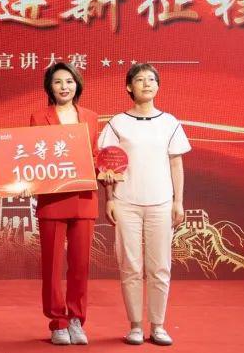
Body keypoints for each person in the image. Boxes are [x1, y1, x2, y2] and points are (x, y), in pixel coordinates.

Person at [98, 63, 191, 346]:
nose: (147, 83)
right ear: (129, 87)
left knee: (159, 267)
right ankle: (136, 326)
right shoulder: (117, 123)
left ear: (158, 86)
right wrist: (110, 198)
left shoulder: (170, 123)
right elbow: (107, 164)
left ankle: (158, 326)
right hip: (126, 203)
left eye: (152, 79)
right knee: (130, 266)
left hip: (161, 203)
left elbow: (176, 164)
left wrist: (178, 201)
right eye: (140, 79)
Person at [22, 62, 99, 345]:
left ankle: (76, 319)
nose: (64, 86)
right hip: (52, 198)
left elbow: (95, 155)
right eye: (58, 82)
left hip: (84, 197)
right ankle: (57, 322)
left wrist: (105, 168)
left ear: (77, 85)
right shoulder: (38, 117)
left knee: (80, 265)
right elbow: (34, 156)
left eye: (69, 81)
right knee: (52, 266)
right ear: (49, 87)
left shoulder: (91, 117)